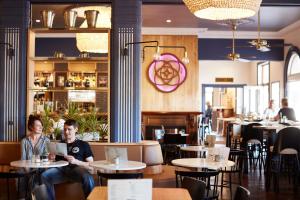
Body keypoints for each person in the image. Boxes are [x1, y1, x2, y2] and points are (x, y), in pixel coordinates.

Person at [41, 119, 95, 200]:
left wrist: (76, 161)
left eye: (69, 129)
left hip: (77, 170)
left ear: (76, 129)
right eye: (65, 129)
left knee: (88, 177)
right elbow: (54, 162)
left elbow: (92, 165)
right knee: (44, 176)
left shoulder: (83, 144)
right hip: (61, 170)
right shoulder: (60, 144)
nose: (66, 132)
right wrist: (51, 159)